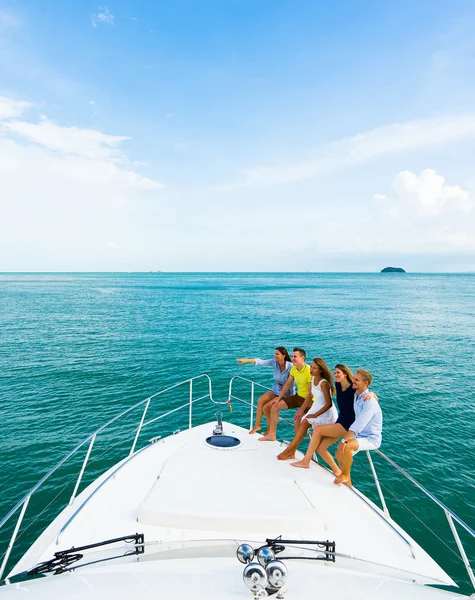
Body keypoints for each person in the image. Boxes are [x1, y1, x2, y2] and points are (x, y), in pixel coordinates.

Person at [287, 365, 376, 474]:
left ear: (345, 374)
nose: (335, 375)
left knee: (318, 430)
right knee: (320, 447)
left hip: (347, 425)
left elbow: (368, 395)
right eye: (334, 373)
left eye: (338, 373)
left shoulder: (352, 389)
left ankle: (306, 461)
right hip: (340, 421)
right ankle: (337, 471)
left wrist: (372, 394)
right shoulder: (338, 385)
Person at [276, 358, 337, 459]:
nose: (311, 369)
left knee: (304, 423)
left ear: (320, 370)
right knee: (298, 420)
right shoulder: (313, 378)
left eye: (314, 368)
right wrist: (301, 410)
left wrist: (315, 415)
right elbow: (310, 395)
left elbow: (328, 404)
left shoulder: (324, 383)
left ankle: (289, 451)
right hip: (316, 407)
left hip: (326, 413)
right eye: (311, 366)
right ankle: (292, 452)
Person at [333, 368, 382, 486]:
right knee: (339, 453)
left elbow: (359, 424)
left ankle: (345, 475)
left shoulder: (369, 402)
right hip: (359, 435)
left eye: (356, 380)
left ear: (365, 383)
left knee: (346, 446)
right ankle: (348, 483)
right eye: (354, 379)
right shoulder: (357, 394)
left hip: (370, 438)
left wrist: (345, 440)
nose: (353, 381)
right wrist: (373, 394)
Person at [258, 348, 313, 442]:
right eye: (292, 356)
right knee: (274, 406)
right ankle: (272, 435)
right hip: (298, 397)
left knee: (297, 419)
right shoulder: (294, 369)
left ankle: (295, 444)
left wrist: (301, 410)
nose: (292, 358)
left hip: (310, 401)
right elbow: (287, 384)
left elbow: (310, 394)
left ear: (302, 358)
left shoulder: (309, 371)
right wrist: (278, 398)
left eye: (295, 356)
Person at [237, 347, 293, 434]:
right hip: (276, 388)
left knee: (266, 407)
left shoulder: (290, 366)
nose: (275, 355)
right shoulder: (274, 362)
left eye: (277, 354)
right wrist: (246, 360)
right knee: (260, 400)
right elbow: (261, 362)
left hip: (286, 392)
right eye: (275, 353)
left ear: (284, 355)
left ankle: (271, 429)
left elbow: (292, 381)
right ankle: (257, 425)